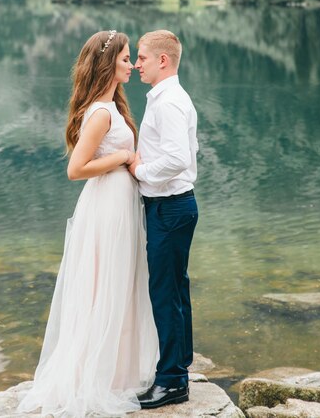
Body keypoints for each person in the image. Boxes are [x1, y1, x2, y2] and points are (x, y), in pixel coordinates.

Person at [18, 30, 158, 418]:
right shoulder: (100, 112)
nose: (132, 65)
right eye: (126, 58)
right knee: (105, 284)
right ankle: (94, 375)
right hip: (107, 207)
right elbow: (76, 169)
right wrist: (122, 158)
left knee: (120, 284)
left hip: (120, 202)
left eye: (132, 59)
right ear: (108, 63)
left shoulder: (112, 107)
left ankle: (115, 371)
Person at [128, 29, 199, 410]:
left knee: (165, 292)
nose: (137, 64)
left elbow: (178, 159)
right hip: (175, 205)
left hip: (170, 207)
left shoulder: (168, 102)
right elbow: (191, 148)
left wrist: (140, 170)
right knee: (175, 289)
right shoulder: (170, 98)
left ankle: (171, 380)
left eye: (141, 57)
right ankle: (180, 368)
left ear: (162, 60)